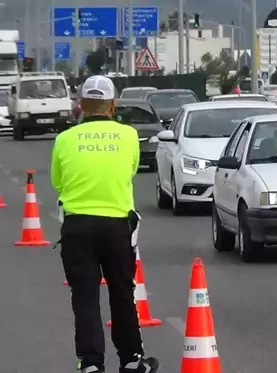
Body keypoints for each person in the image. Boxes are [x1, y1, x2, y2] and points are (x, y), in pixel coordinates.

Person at [50, 75, 159, 373]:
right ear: (112, 106)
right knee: (122, 292)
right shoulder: (128, 136)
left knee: (84, 296)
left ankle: (90, 363)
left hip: (77, 227)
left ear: (81, 106)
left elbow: (58, 182)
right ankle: (131, 359)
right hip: (116, 226)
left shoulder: (64, 139)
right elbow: (131, 171)